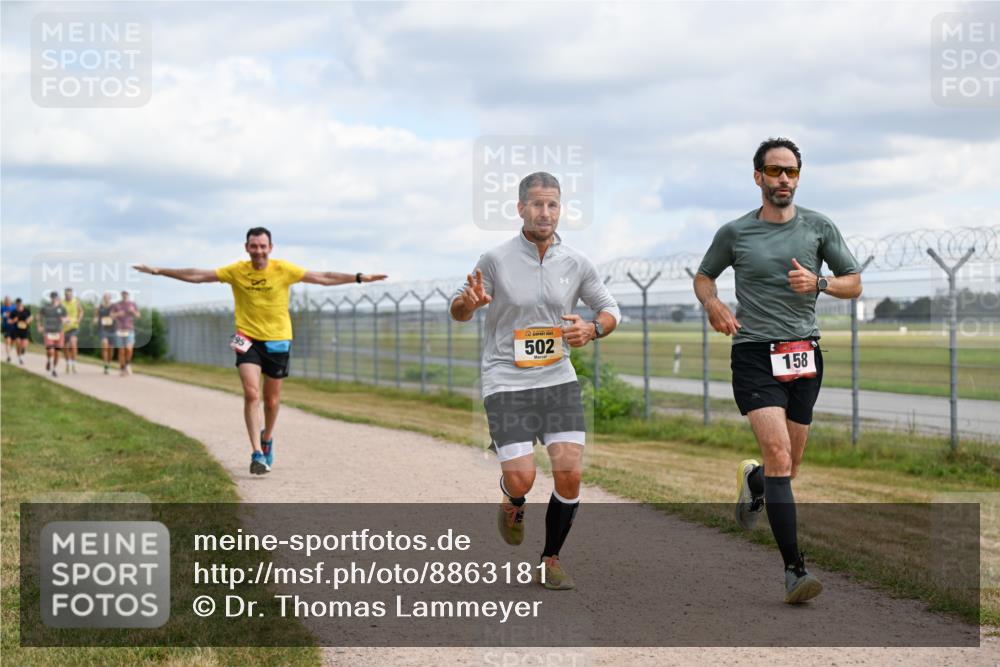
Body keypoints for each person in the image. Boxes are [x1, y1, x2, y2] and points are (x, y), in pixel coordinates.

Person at [693, 137, 862, 604]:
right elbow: (704, 276)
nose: (783, 179)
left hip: (804, 354)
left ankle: (754, 482)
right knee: (779, 455)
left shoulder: (819, 227)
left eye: (790, 171)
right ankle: (795, 571)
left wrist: (820, 282)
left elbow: (855, 283)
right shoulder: (736, 232)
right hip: (753, 353)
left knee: (789, 465)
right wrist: (713, 304)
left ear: (798, 178)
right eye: (774, 171)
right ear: (758, 177)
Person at [451, 172, 620, 590]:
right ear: (520, 208)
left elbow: (609, 308)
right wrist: (468, 305)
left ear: (560, 210)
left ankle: (551, 558)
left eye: (553, 205)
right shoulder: (495, 259)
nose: (545, 213)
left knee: (570, 472)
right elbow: (457, 308)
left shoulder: (577, 262)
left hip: (557, 377)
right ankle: (513, 499)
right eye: (537, 204)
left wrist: (593, 329)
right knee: (523, 477)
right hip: (506, 380)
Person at [134, 227, 387, 475]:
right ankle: (257, 453)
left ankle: (267, 438)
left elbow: (322, 277)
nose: (258, 251)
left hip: (278, 340)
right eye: (253, 246)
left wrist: (358, 277)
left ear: (270, 248)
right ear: (246, 248)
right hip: (247, 338)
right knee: (251, 394)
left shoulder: (283, 269)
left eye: (262, 246)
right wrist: (159, 271)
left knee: (272, 401)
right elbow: (198, 275)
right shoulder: (236, 271)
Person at [111, 291, 141, 376]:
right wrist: (117, 314)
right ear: (121, 295)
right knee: (121, 350)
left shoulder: (132, 304)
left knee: (129, 349)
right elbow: (111, 315)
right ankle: (122, 368)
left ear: (128, 295)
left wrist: (133, 311)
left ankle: (127, 364)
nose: (125, 295)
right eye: (123, 294)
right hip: (119, 330)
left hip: (129, 329)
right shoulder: (116, 305)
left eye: (126, 294)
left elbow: (138, 316)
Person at [38, 291, 68, 378]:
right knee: (50, 351)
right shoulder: (45, 307)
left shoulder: (62, 308)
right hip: (48, 331)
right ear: (51, 298)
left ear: (58, 298)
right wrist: (39, 325)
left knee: (57, 352)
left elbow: (66, 317)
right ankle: (48, 360)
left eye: (56, 297)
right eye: (53, 297)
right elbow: (39, 316)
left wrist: (65, 320)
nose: (54, 299)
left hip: (59, 332)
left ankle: (54, 369)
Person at [94, 292, 117, 374]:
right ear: (103, 298)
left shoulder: (114, 306)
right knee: (104, 345)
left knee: (111, 349)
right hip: (103, 329)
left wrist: (113, 315)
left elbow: (118, 315)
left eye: (108, 297)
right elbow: (96, 316)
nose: (106, 298)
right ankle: (105, 365)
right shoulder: (100, 307)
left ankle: (109, 363)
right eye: (105, 297)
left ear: (110, 298)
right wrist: (95, 319)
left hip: (112, 329)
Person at [62, 287, 84, 374]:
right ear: (64, 294)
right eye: (66, 294)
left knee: (73, 341)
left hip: (74, 326)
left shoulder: (76, 302)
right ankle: (68, 363)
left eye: (70, 294)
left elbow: (81, 312)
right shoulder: (61, 302)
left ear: (72, 294)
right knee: (65, 347)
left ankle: (74, 363)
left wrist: (79, 319)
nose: (68, 295)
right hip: (64, 328)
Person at [6, 298, 31, 365]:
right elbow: (9, 321)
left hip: (25, 330)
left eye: (20, 303)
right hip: (16, 330)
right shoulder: (13, 312)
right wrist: (13, 320)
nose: (19, 305)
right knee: (18, 343)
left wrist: (28, 320)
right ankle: (20, 358)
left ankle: (23, 350)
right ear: (16, 304)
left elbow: (30, 317)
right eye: (17, 304)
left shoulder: (26, 311)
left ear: (21, 303)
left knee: (24, 344)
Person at [2, 296, 14, 363]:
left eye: (9, 300)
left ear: (11, 301)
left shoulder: (14, 307)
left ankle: (9, 352)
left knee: (12, 342)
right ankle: (8, 356)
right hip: (6, 327)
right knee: (7, 341)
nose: (7, 301)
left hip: (14, 328)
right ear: (5, 301)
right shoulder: (2, 308)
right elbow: (3, 316)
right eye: (6, 300)